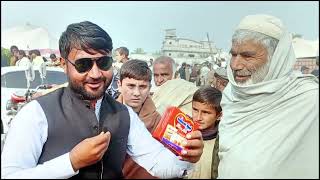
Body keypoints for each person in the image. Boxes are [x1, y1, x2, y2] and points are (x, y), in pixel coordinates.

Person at [1, 21, 204, 179]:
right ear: (64, 64)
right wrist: (71, 162)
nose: (96, 74)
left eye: (104, 62)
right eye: (83, 64)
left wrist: (187, 158)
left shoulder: (124, 115)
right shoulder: (36, 113)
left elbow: (157, 161)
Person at [218, 14, 319, 178]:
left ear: (276, 57)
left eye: (247, 56)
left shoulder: (309, 99)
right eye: (234, 54)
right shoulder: (232, 94)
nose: (235, 65)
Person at [117, 59, 161, 179]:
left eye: (142, 87)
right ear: (119, 85)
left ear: (149, 88)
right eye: (131, 86)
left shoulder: (159, 122)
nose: (136, 93)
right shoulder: (106, 115)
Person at [187, 86, 222, 179]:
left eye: (205, 112)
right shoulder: (183, 133)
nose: (198, 117)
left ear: (219, 115)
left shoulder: (222, 142)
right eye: (195, 110)